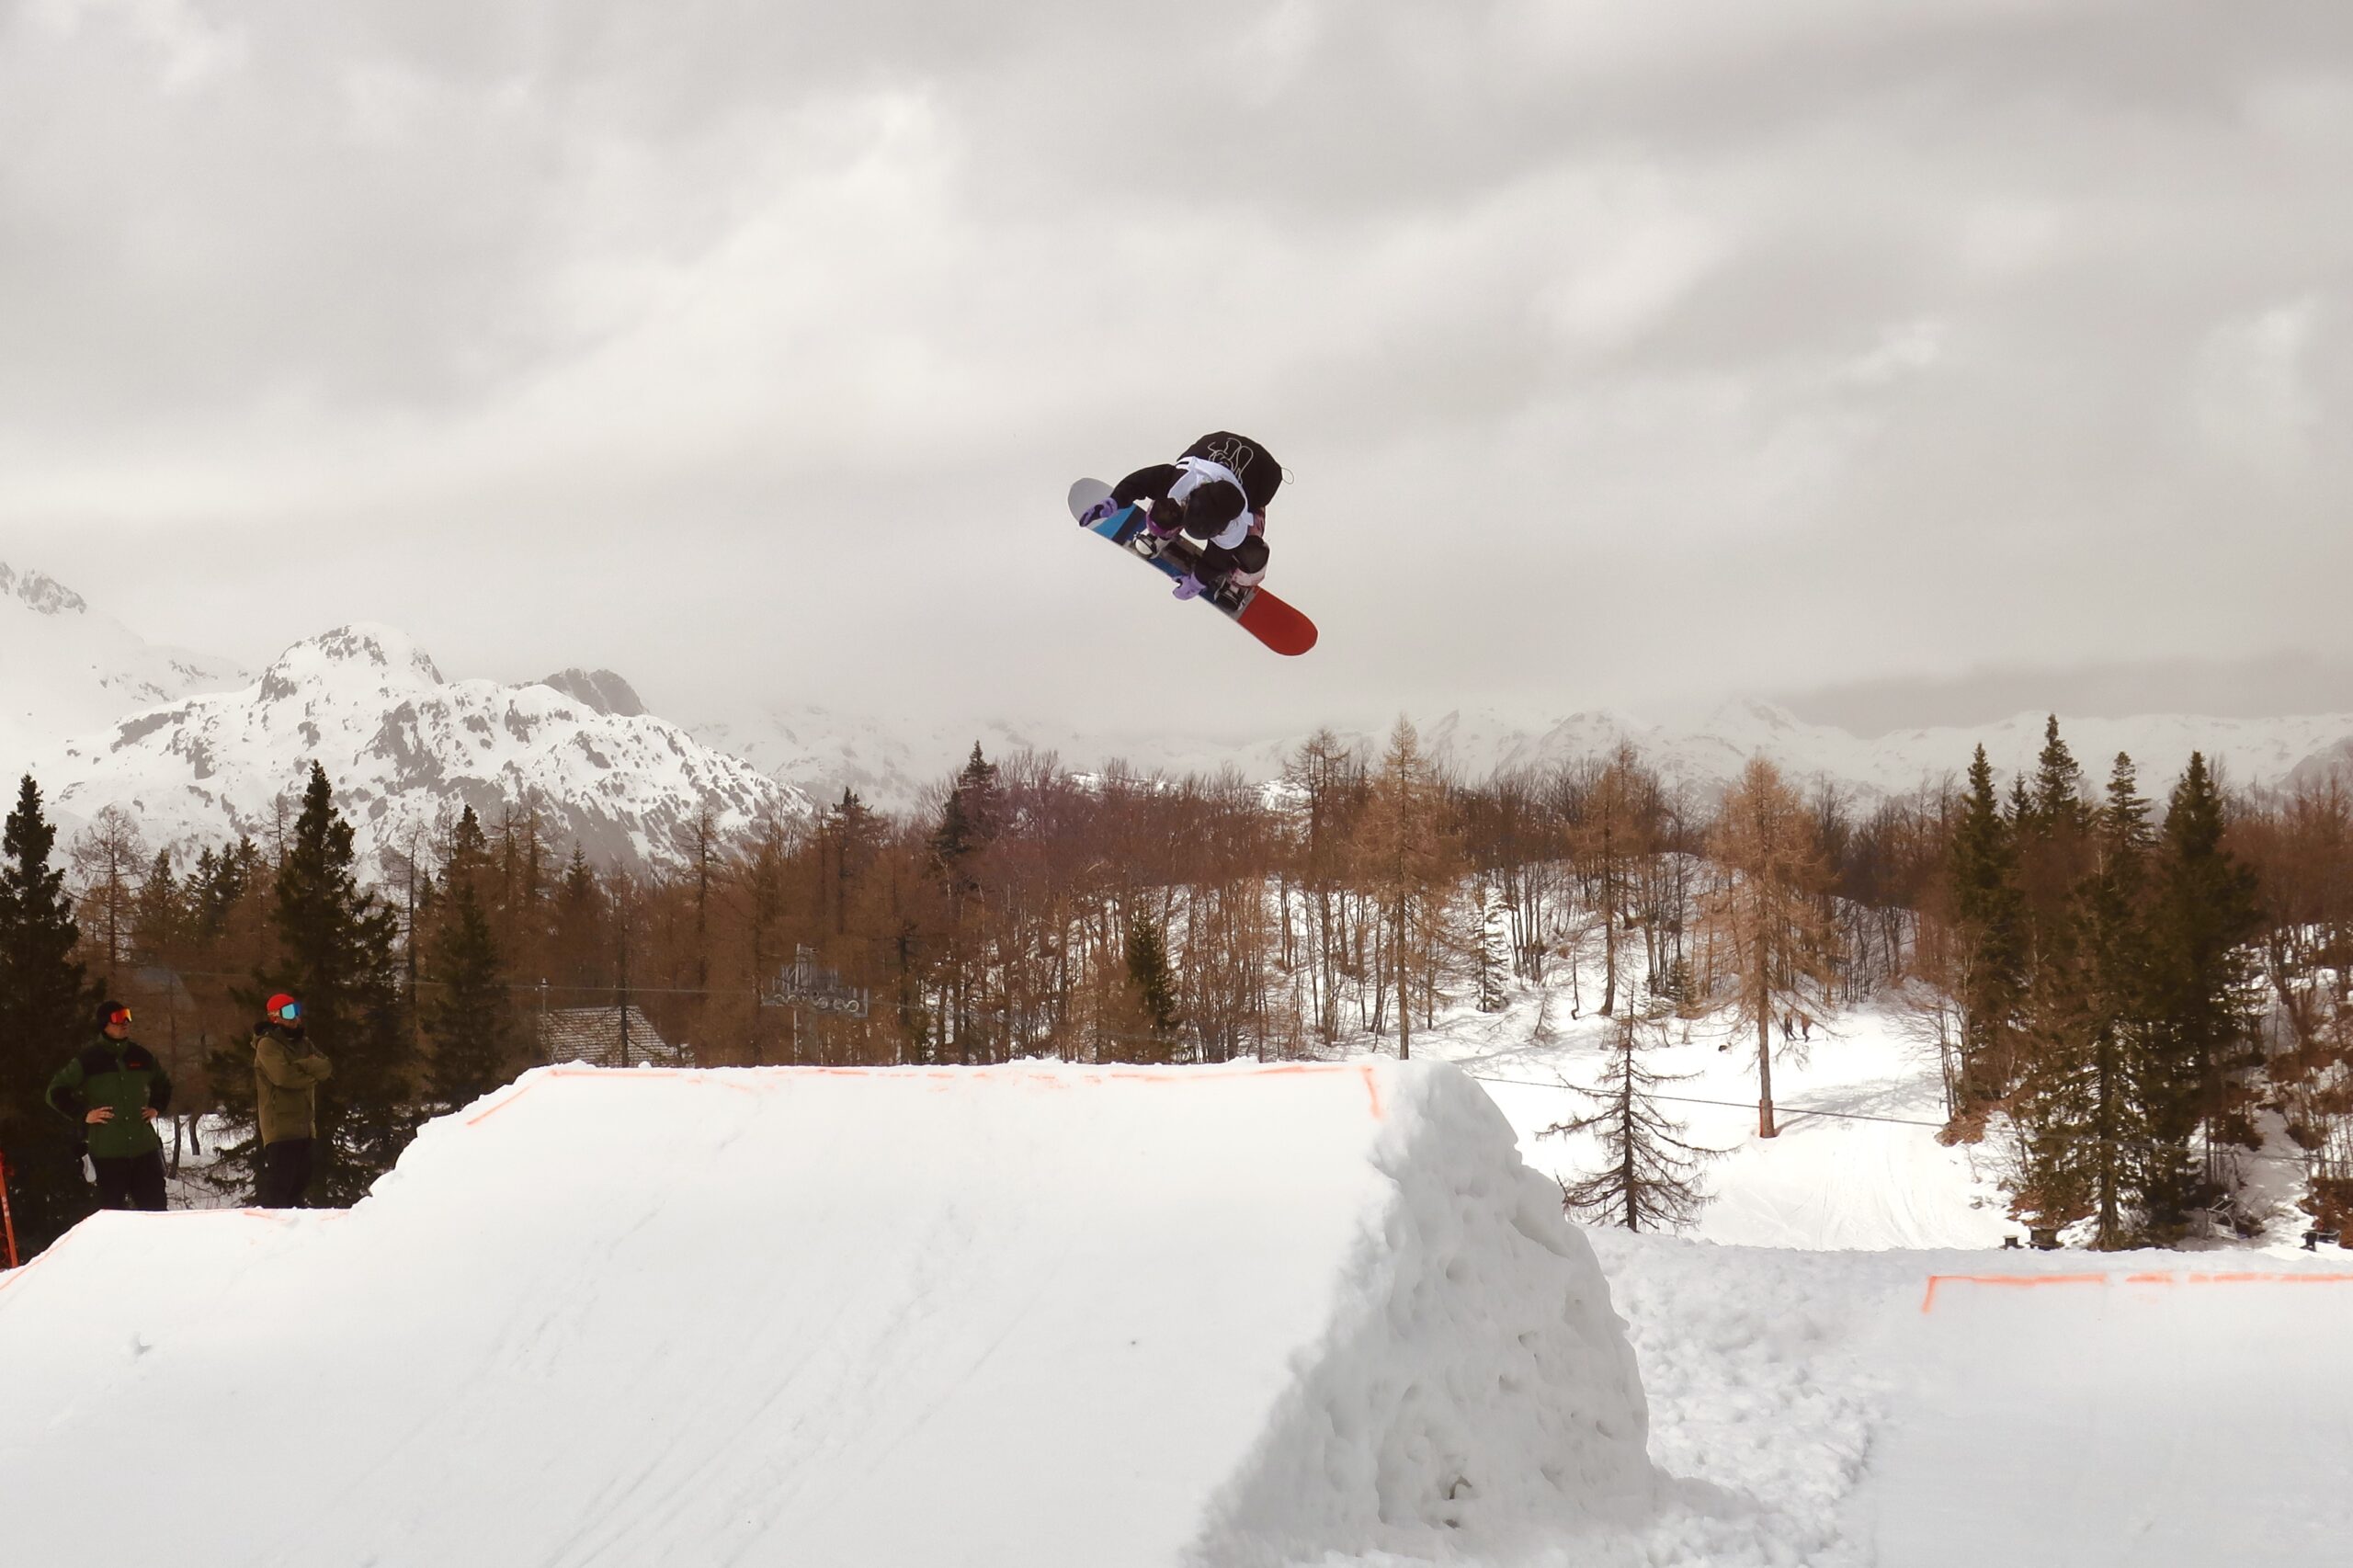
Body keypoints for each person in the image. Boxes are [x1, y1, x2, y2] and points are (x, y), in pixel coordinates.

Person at [1081, 431, 1283, 600]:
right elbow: (1140, 482)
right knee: (1168, 506)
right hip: (1209, 455)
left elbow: (1218, 556)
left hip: (1262, 475)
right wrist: (1113, 501)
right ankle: (1161, 529)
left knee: (1250, 552)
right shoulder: (1183, 478)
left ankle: (1241, 581)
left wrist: (1198, 581)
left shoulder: (1236, 524)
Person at [46, 1000, 173, 1211]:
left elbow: (163, 1084)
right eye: (118, 1018)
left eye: (127, 1016)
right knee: (110, 1216)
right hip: (107, 1153)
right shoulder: (88, 1060)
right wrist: (83, 1114)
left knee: (157, 1213)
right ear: (104, 1024)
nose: (125, 1022)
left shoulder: (141, 1056)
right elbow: (54, 1092)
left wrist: (156, 1107)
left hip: (144, 1150)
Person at [252, 993, 332, 1208]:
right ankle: (272, 1224)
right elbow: (283, 1077)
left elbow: (325, 1067)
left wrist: (300, 1066)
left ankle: (295, 1224)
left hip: (305, 1127)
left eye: (297, 1010)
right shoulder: (267, 1045)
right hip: (280, 1128)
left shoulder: (304, 1043)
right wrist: (310, 1072)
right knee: (280, 1186)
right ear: (274, 1017)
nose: (296, 1017)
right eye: (289, 1012)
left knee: (300, 1184)